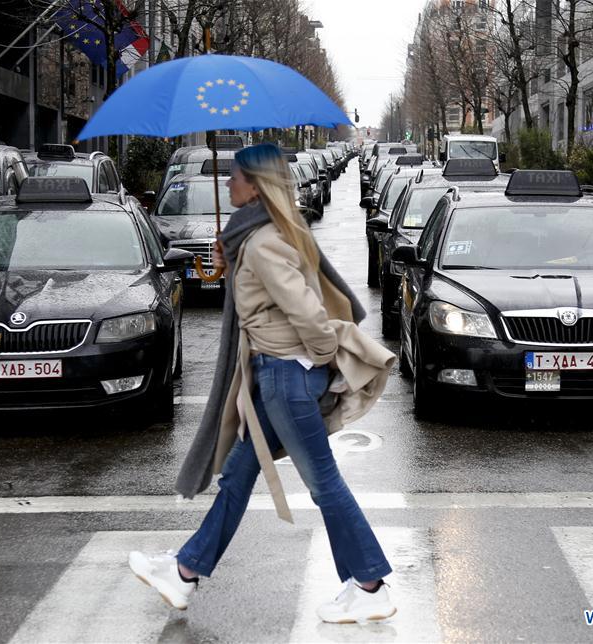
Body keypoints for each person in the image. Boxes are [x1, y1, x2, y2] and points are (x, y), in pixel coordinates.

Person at [129, 143, 397, 623]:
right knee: (237, 476)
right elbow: (269, 300)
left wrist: (312, 361)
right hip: (275, 377)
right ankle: (185, 571)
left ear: (256, 187)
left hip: (283, 380)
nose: (228, 183)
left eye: (235, 177)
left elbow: (310, 315)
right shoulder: (262, 236)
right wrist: (231, 258)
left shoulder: (265, 241)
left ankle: (371, 585)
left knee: (323, 483)